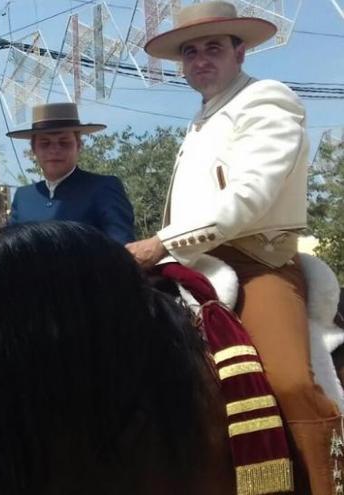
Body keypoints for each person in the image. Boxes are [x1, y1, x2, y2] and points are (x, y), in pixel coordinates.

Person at [126, 2, 341, 492]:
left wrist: (160, 243)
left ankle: (329, 481)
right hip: (190, 262)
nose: (201, 59)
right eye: (191, 51)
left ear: (240, 52)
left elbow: (249, 197)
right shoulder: (201, 119)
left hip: (256, 262)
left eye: (214, 48)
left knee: (290, 382)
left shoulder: (268, 99)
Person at [6, 102, 135, 244]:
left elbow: (121, 249)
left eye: (64, 142)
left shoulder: (103, 188)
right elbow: (10, 252)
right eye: (45, 143)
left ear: (78, 145)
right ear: (33, 149)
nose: (54, 150)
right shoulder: (23, 197)